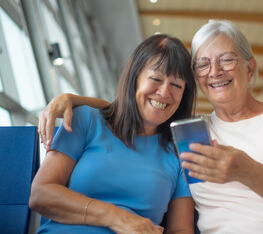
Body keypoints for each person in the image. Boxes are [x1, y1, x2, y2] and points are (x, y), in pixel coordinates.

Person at [37, 20, 263, 234]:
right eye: (203, 65)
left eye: (227, 60)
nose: (215, 71)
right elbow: (131, 110)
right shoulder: (186, 134)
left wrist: (244, 169)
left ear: (250, 68)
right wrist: (70, 99)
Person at [30, 34, 197, 234]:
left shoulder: (182, 153)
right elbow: (41, 194)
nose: (164, 92)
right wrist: (116, 217)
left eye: (177, 85)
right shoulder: (86, 120)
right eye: (155, 78)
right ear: (134, 78)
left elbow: (181, 230)